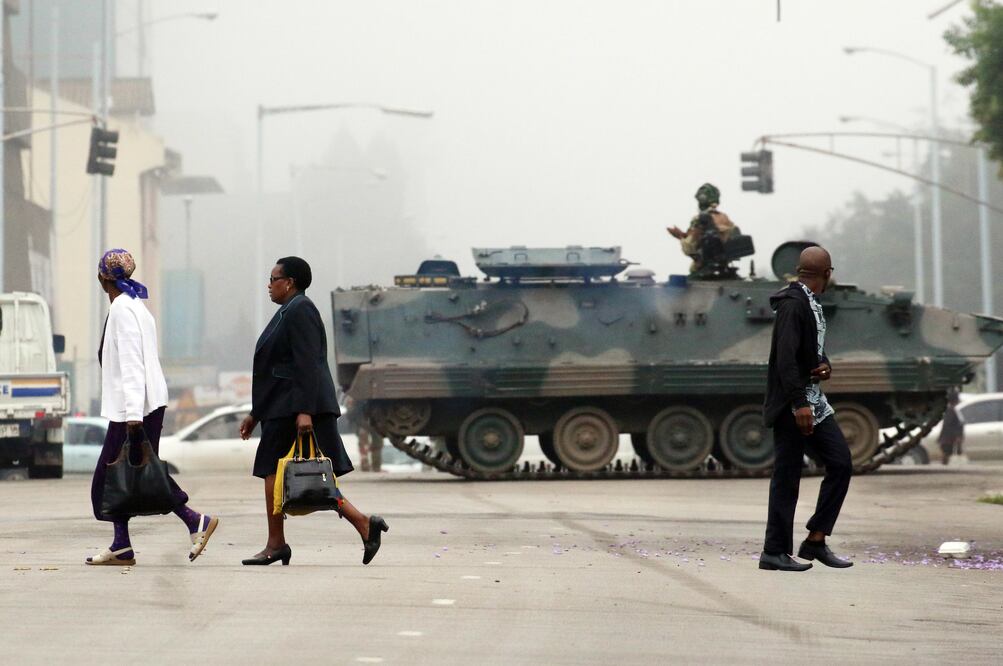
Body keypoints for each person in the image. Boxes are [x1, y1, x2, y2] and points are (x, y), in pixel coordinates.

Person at [238, 256, 388, 566]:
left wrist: (304, 411)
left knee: (287, 473)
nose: (269, 285)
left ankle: (277, 543)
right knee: (305, 475)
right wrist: (256, 412)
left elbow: (308, 362)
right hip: (282, 407)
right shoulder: (287, 311)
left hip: (296, 407)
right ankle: (362, 524)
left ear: (289, 282)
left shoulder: (300, 309)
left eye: (273, 278)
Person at [87, 249, 218, 566]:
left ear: (104, 278)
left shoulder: (122, 309)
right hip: (142, 405)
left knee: (116, 478)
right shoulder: (137, 307)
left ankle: (194, 519)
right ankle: (122, 544)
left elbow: (132, 365)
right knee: (132, 474)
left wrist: (133, 417)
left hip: (135, 409)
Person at [760, 246, 853, 572]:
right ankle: (774, 551)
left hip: (814, 401)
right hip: (794, 403)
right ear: (827, 273)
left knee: (841, 463)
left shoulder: (809, 303)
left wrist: (822, 363)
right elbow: (784, 358)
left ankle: (815, 539)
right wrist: (799, 403)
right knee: (786, 477)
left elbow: (807, 348)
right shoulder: (792, 304)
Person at [667, 183, 739, 274]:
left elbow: (690, 246)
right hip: (723, 266)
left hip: (705, 267)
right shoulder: (724, 217)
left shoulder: (700, 219)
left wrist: (680, 236)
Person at [938, 389, 964, 465]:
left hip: (948, 438)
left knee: (947, 453)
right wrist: (957, 436)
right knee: (947, 453)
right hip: (948, 439)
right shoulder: (951, 411)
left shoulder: (951, 410)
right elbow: (949, 425)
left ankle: (945, 463)